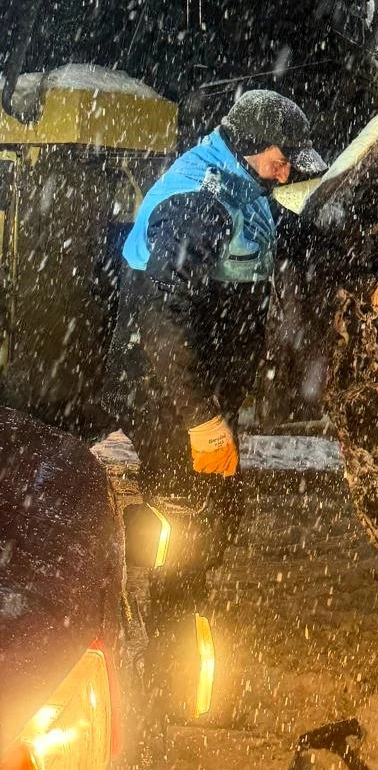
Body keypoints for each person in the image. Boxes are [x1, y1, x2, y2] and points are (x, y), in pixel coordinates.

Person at [106, 89, 326, 617]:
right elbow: (162, 324)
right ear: (250, 148)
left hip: (199, 379)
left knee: (214, 502)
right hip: (165, 386)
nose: (285, 173)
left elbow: (302, 242)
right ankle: (168, 627)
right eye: (280, 160)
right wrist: (201, 420)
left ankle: (176, 579)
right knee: (188, 510)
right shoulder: (198, 205)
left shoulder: (242, 186)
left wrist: (368, 287)